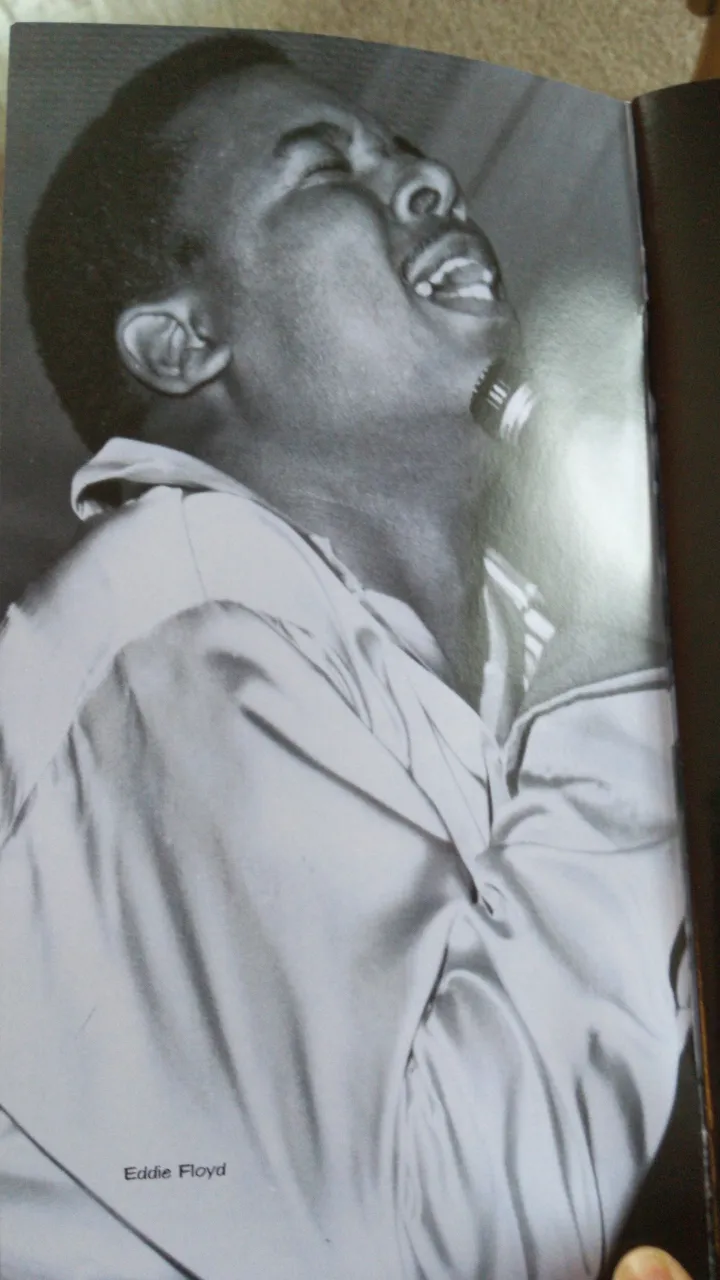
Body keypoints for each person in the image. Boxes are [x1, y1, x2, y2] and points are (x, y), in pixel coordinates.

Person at [0, 31, 689, 1280]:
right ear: (180, 346)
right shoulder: (156, 629)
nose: (432, 182)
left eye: (408, 154)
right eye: (327, 171)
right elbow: (443, 1246)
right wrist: (613, 659)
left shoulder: (527, 645)